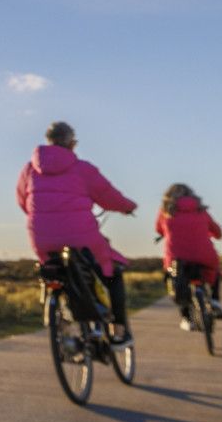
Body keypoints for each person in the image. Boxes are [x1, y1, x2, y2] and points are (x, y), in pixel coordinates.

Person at [17, 121, 138, 342]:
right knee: (111, 271)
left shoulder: (29, 169)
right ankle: (119, 331)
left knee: (55, 271)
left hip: (42, 239)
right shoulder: (82, 169)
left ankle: (63, 317)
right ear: (72, 143)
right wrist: (129, 207)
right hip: (82, 239)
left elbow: (22, 201)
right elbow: (109, 196)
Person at [156, 183, 222, 328]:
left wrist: (168, 231)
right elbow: (217, 232)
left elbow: (158, 229)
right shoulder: (201, 210)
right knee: (215, 268)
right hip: (204, 255)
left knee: (176, 280)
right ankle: (214, 299)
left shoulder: (165, 211)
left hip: (177, 259)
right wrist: (211, 234)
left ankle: (187, 318)